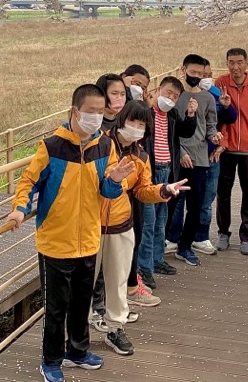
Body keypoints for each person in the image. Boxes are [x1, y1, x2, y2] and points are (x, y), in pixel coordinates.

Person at [6, 84, 135, 382]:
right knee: (55, 307)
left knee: (81, 302)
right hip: (55, 242)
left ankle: (77, 351)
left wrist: (115, 180)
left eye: (100, 113)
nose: (95, 118)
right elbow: (29, 182)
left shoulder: (105, 146)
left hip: (89, 240)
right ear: (74, 111)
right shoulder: (51, 146)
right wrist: (19, 208)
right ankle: (50, 360)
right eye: (89, 112)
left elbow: (108, 190)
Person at [94, 101, 189, 355]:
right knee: (83, 282)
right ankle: (77, 334)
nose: (135, 127)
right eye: (132, 121)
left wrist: (164, 190)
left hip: (120, 225)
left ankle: (115, 328)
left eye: (141, 124)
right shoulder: (100, 144)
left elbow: (142, 191)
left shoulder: (141, 156)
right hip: (90, 224)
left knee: (117, 281)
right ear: (121, 119)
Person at [137, 76, 197, 288]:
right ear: (159, 89)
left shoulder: (171, 114)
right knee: (148, 222)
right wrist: (145, 104)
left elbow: (185, 133)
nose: (170, 98)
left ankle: (157, 259)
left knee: (162, 219)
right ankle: (143, 268)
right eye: (168, 93)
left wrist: (191, 115)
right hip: (149, 173)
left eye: (175, 96)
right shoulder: (146, 112)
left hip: (167, 172)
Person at [89, 73, 137, 328]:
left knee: (115, 269)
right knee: (93, 272)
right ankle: (96, 313)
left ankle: (113, 318)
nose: (119, 98)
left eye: (122, 93)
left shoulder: (124, 125)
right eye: (114, 93)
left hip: (120, 207)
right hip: (94, 212)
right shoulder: (95, 130)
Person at [214, 48, 248, 255]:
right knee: (223, 193)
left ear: (246, 63)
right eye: (231, 62)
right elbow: (217, 117)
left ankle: (247, 236)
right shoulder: (220, 83)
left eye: (239, 62)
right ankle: (223, 233)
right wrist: (222, 142)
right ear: (226, 63)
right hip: (225, 149)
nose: (235, 67)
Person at [167, 54, 218, 267]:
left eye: (200, 73)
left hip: (200, 159)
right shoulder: (174, 96)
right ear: (183, 69)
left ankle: (185, 246)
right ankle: (165, 240)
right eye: (193, 72)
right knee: (171, 204)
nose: (196, 76)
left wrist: (215, 136)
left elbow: (210, 125)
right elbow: (170, 128)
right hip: (177, 158)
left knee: (196, 206)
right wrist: (181, 153)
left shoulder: (207, 98)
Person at [192, 62, 234, 255]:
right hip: (192, 154)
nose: (206, 77)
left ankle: (201, 237)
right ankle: (178, 236)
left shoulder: (218, 91)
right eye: (203, 74)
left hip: (212, 154)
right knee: (188, 198)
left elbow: (231, 117)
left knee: (208, 198)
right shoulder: (188, 94)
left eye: (209, 74)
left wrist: (226, 106)